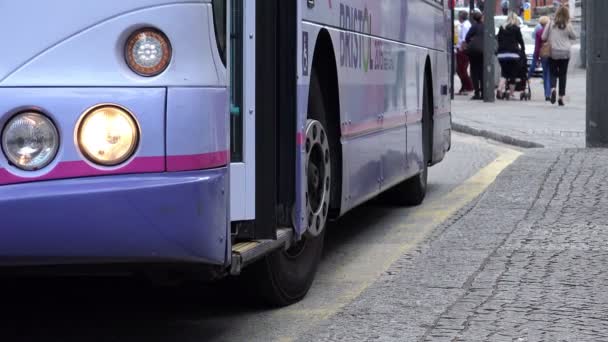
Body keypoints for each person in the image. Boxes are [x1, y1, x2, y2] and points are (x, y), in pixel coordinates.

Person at [542, 5, 577, 106]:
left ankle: (553, 89)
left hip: (553, 52)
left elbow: (543, 36)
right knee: (563, 75)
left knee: (553, 73)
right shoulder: (568, 24)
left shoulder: (550, 23)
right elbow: (574, 36)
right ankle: (561, 97)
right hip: (565, 52)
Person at [495, 13, 525, 100]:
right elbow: (520, 41)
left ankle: (500, 89)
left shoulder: (502, 28)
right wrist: (522, 50)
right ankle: (510, 93)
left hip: (501, 54)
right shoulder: (516, 29)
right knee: (512, 74)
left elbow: (498, 39)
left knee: (504, 73)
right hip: (513, 54)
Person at [465, 11, 484, 100]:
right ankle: (484, 92)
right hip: (483, 52)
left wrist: (471, 43)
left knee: (474, 72)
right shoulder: (485, 26)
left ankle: (477, 93)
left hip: (473, 52)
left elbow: (467, 37)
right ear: (481, 18)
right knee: (482, 72)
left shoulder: (474, 26)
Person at [534, 16, 552, 101]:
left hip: (544, 54)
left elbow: (537, 47)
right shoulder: (552, 31)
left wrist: (536, 59)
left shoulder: (539, 32)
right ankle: (552, 90)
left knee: (545, 74)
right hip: (552, 54)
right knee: (551, 73)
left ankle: (547, 93)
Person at [456, 10, 474, 95]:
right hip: (462, 49)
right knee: (461, 70)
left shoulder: (465, 26)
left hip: (463, 50)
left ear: (461, 17)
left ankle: (469, 87)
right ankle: (464, 87)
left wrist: (461, 49)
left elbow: (464, 39)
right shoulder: (465, 25)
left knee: (461, 70)